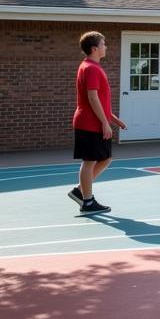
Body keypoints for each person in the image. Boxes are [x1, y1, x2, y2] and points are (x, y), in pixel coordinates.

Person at [69, 31, 127, 214]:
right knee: (90, 161)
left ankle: (80, 191)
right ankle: (87, 201)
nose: (106, 47)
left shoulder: (90, 66)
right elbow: (92, 97)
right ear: (94, 48)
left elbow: (99, 99)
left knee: (105, 158)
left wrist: (113, 119)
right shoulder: (91, 68)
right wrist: (104, 123)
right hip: (90, 122)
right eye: (103, 44)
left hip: (94, 120)